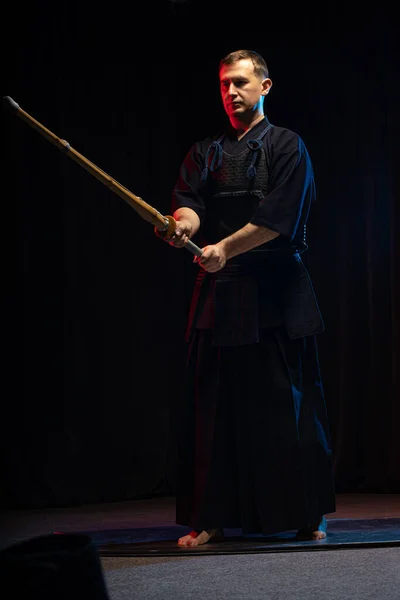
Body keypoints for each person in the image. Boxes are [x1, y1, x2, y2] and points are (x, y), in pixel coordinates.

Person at [157, 49, 336, 547]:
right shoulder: (205, 151)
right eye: (223, 85)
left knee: (290, 404)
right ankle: (211, 517)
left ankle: (308, 513)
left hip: (277, 291)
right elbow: (189, 205)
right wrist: (182, 227)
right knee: (214, 408)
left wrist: (224, 249)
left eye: (240, 83)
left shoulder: (287, 146)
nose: (231, 93)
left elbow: (281, 217)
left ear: (265, 86)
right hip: (221, 294)